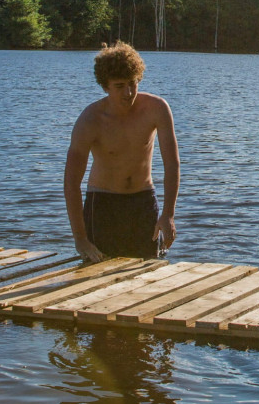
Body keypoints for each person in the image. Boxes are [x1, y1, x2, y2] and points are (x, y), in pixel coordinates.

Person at [64, 42, 180, 262]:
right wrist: (80, 238)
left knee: (146, 274)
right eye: (119, 86)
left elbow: (172, 164)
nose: (128, 93)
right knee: (97, 277)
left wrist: (168, 214)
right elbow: (71, 182)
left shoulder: (157, 109)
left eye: (132, 84)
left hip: (143, 201)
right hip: (103, 205)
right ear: (105, 86)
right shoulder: (90, 120)